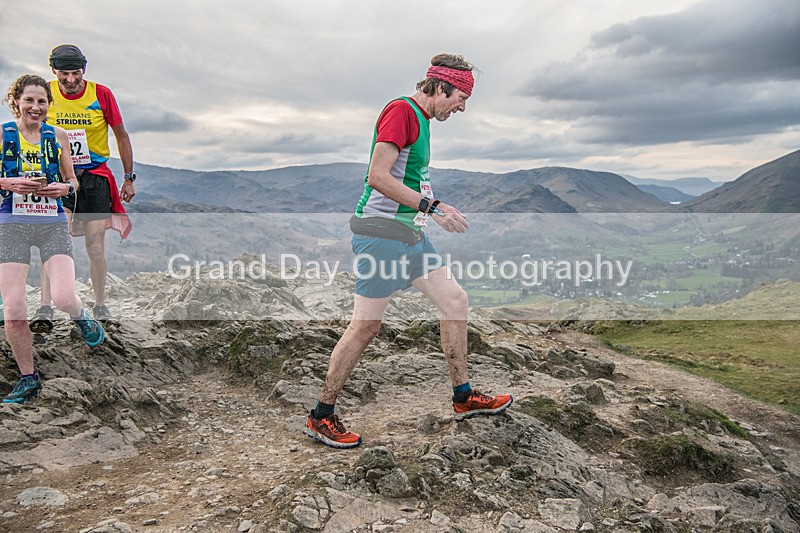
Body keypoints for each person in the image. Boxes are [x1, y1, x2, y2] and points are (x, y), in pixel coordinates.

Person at [304, 54, 512, 449]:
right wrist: (431, 208)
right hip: (381, 234)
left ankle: (463, 396)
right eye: (461, 98)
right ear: (440, 87)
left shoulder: (423, 121)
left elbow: (409, 179)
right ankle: (321, 415)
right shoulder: (401, 111)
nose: (462, 108)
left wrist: (433, 208)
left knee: (455, 301)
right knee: (366, 326)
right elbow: (377, 176)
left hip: (410, 234)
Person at [1, 74, 106, 404]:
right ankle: (28, 377)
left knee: (62, 298)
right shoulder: (3, 134)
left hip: (51, 222)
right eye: (29, 100)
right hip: (12, 224)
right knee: (14, 308)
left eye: (42, 101)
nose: (35, 107)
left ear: (49, 105)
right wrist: (6, 183)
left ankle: (81, 316)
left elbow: (73, 180)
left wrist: (64, 187)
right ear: (16, 101)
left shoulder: (58, 135)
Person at [30, 44, 134, 332]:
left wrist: (128, 177)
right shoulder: (45, 93)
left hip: (94, 178)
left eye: (76, 73)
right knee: (54, 241)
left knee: (95, 245)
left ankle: (100, 305)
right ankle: (45, 307)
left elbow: (121, 135)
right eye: (64, 73)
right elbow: (30, 129)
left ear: (84, 70)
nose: (70, 79)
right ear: (54, 71)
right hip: (59, 177)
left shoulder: (101, 94)